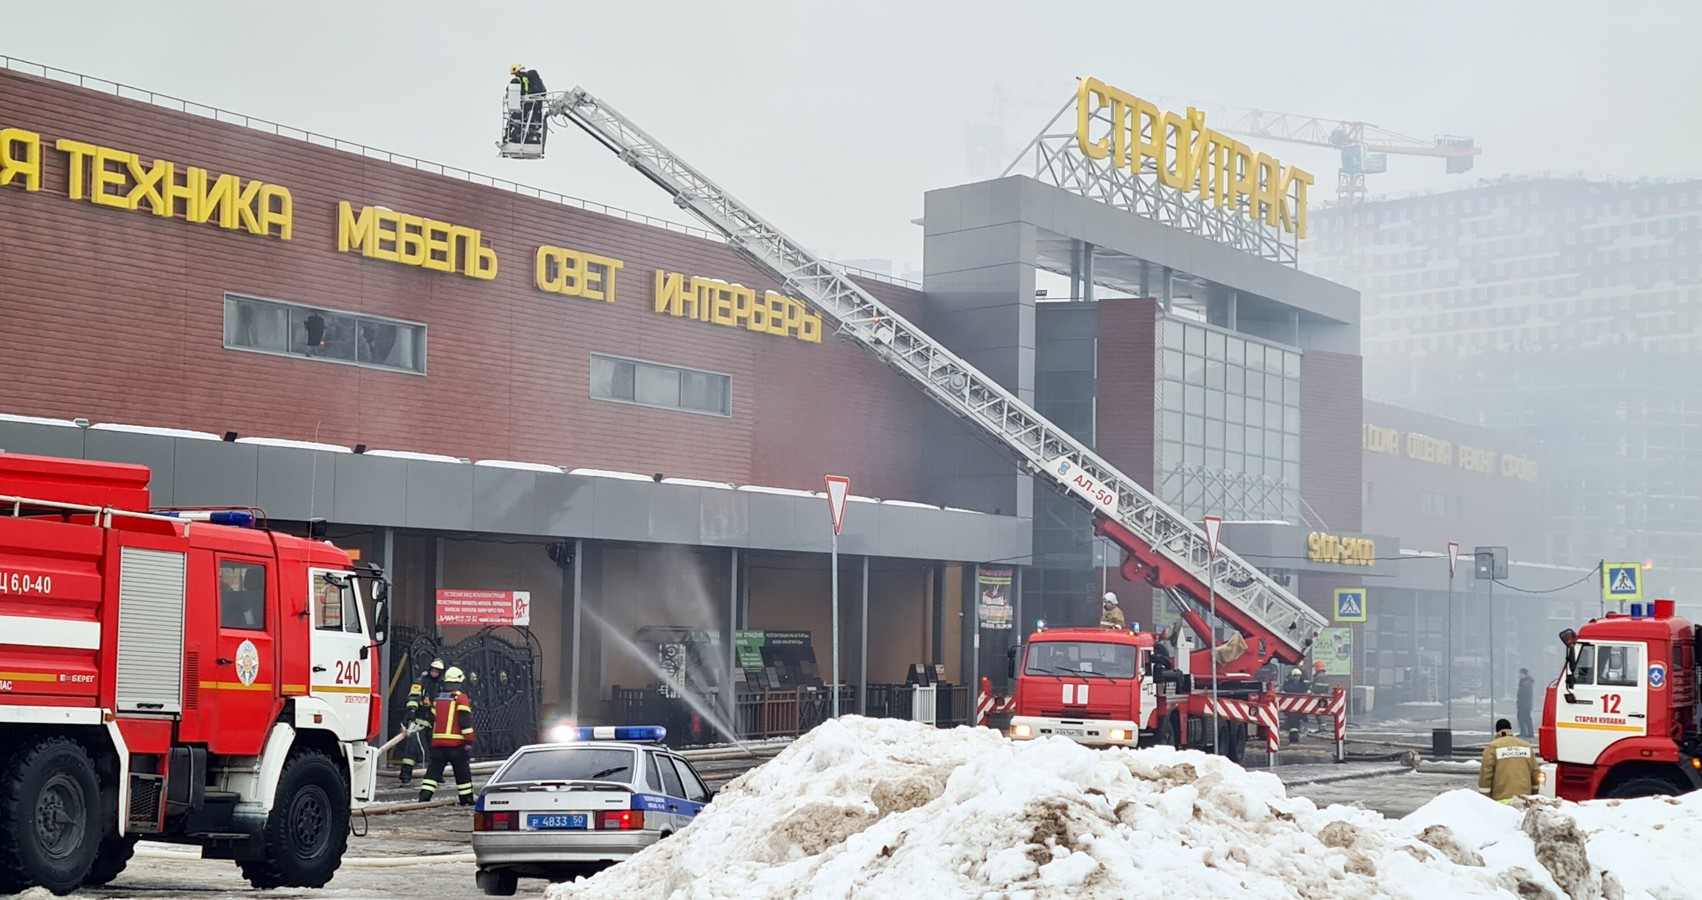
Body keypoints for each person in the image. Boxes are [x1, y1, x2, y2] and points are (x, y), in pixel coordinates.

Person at [419, 666, 477, 805]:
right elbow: (464, 721)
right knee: (462, 772)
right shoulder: (461, 698)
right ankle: (466, 799)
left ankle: (424, 797)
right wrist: (469, 740)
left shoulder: (438, 699)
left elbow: (434, 719)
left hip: (438, 744)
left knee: (433, 772)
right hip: (456, 745)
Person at [398, 658, 446, 786]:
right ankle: (405, 776)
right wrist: (412, 710)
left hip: (433, 722)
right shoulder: (421, 682)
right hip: (418, 721)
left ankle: (437, 775)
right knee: (411, 749)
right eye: (434, 670)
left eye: (438, 671)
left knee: (437, 751)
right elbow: (414, 696)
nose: (435, 673)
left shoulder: (442, 685)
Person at [1479, 717, 1541, 802]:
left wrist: (1484, 799)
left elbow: (1486, 775)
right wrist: (1534, 794)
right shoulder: (1525, 746)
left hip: (1501, 801)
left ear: (1497, 731)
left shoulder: (1493, 747)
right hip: (1524, 800)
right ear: (1510, 729)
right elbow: (1535, 772)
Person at [508, 64, 546, 144]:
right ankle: (531, 133)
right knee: (530, 120)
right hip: (534, 105)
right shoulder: (529, 79)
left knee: (515, 118)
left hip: (527, 104)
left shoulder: (518, 80)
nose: (514, 75)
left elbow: (515, 91)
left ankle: (513, 136)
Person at [1282, 666, 1308, 744]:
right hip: (1290, 707)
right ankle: (1293, 737)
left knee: (1296, 722)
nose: (1297, 678)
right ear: (1292, 677)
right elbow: (1286, 689)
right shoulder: (1288, 684)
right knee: (1293, 722)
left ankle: (1294, 737)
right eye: (1296, 676)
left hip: (1300, 706)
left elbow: (1306, 690)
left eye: (1298, 676)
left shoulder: (1303, 684)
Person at [1516, 668, 1536, 739]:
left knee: (1524, 718)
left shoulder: (1526, 682)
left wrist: (1520, 702)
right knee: (1525, 718)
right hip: (1525, 704)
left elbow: (1524, 694)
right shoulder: (1525, 682)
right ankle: (1527, 733)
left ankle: (1525, 733)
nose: (1519, 675)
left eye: (1521, 673)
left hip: (1524, 704)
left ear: (1524, 674)